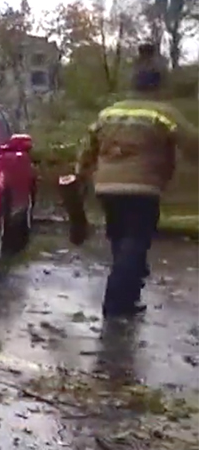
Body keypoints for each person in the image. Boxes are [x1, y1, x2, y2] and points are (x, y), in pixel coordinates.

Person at [76, 56, 199, 318]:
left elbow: (88, 147)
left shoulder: (109, 113)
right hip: (143, 186)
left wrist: (81, 173)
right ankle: (116, 304)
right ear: (158, 87)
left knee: (121, 241)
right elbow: (192, 144)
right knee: (135, 241)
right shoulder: (162, 113)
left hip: (106, 187)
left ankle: (129, 298)